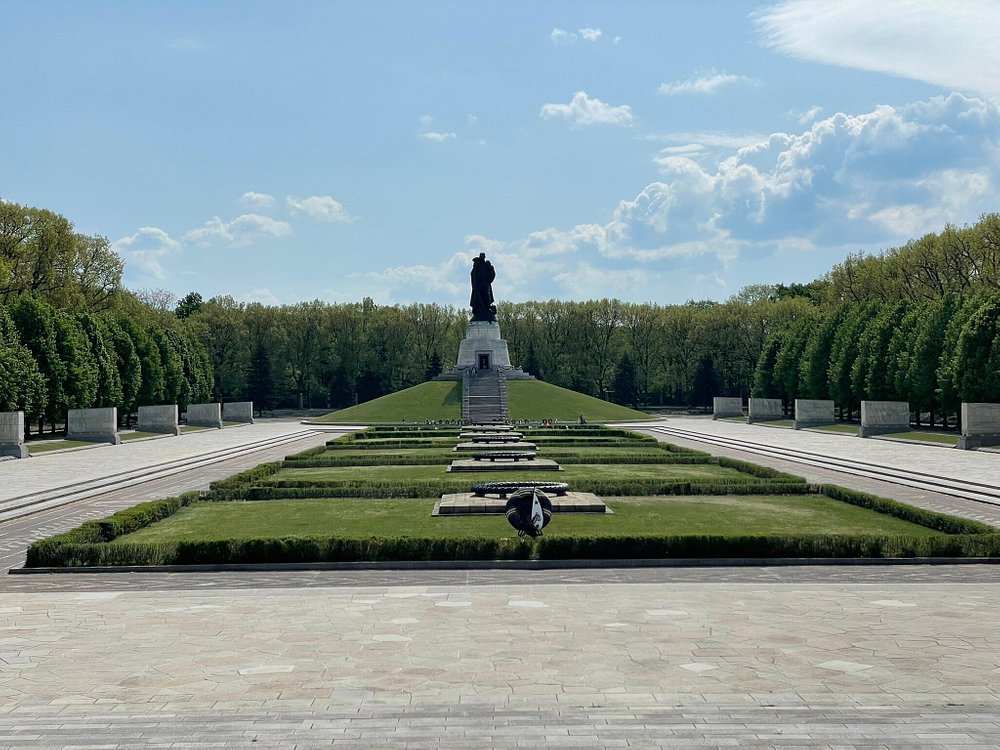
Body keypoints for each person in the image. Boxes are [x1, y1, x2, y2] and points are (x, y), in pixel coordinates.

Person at [470, 252, 497, 321]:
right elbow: (473, 274)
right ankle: (480, 311)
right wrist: (475, 285)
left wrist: (490, 269)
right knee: (478, 299)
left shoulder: (486, 265)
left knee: (487, 298)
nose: (482, 258)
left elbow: (492, 274)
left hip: (485, 285)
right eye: (481, 257)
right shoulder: (477, 265)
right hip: (478, 286)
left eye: (483, 257)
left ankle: (487, 309)